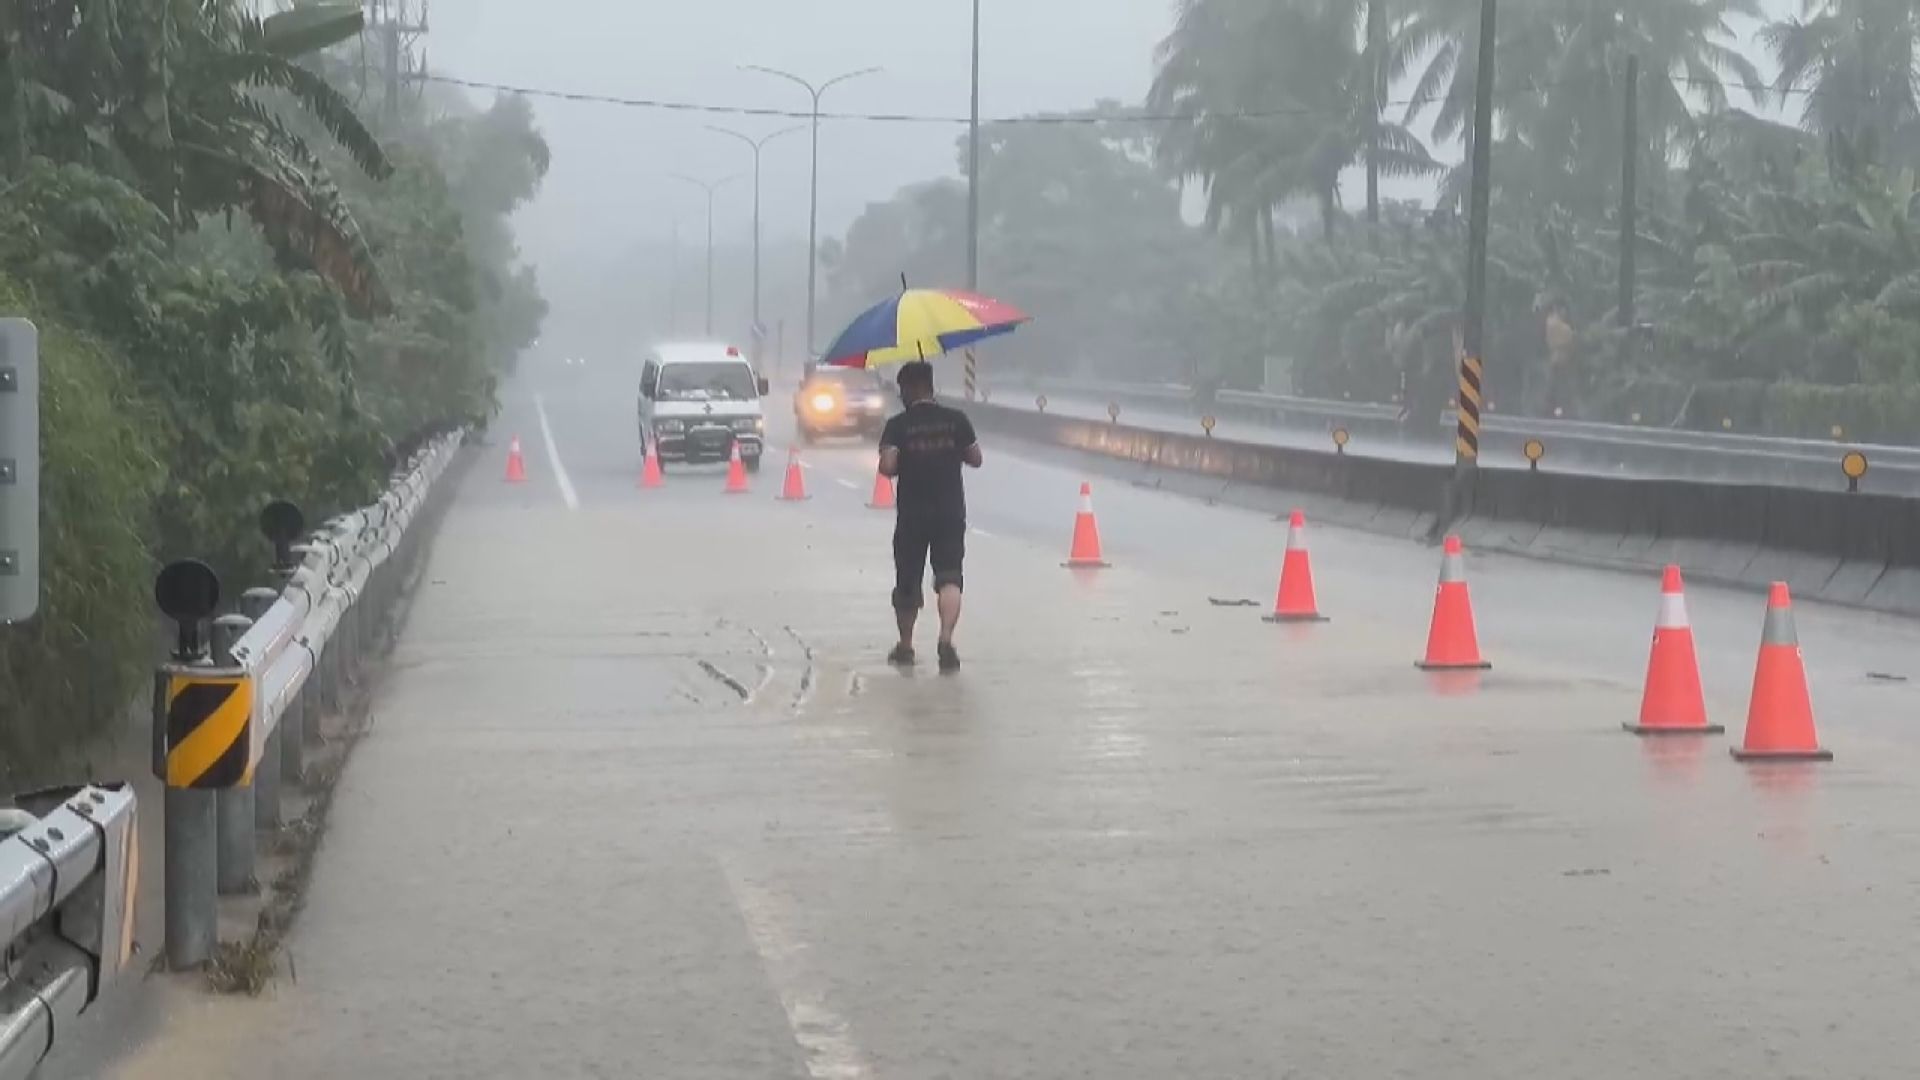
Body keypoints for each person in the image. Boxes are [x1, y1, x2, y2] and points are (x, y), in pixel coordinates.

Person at [877, 360, 982, 672]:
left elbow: (888, 468)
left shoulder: (898, 425)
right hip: (950, 512)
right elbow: (976, 458)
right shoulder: (956, 420)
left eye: (902, 389)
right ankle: (946, 640)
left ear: (910, 389)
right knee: (950, 577)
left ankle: (906, 646)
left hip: (912, 515)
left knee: (908, 581)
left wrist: (895, 452)